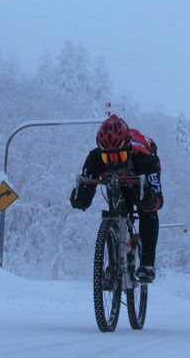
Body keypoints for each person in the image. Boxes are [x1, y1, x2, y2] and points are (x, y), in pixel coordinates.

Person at [70, 114, 163, 283]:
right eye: (108, 157)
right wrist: (81, 197)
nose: (113, 162)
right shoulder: (95, 157)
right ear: (101, 153)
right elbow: (86, 183)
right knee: (115, 201)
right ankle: (115, 263)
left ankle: (147, 264)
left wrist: (150, 200)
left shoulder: (144, 159)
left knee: (148, 211)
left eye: (118, 157)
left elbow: (158, 200)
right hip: (116, 181)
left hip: (139, 174)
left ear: (128, 150)